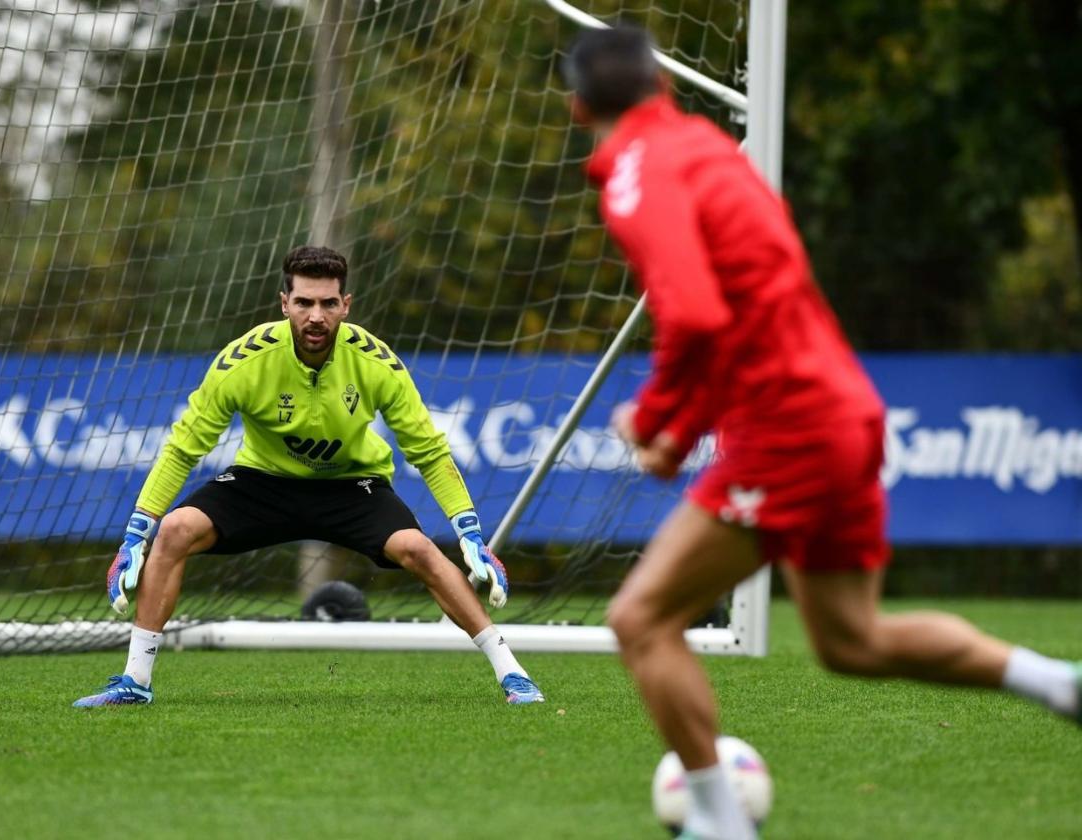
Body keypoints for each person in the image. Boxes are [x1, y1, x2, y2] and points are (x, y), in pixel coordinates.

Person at [563, 25, 1080, 840]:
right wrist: (685, 425)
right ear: (663, 90)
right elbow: (735, 314)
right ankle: (1058, 683)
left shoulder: (634, 172)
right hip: (841, 411)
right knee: (851, 640)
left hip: (790, 426)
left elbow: (695, 315)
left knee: (640, 620)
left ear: (578, 106)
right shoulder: (706, 150)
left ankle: (717, 823)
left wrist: (657, 420)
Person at [74, 245, 545, 707]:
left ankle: (512, 673)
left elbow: (427, 449)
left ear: (345, 306)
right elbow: (183, 447)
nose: (315, 316)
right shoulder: (244, 360)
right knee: (175, 529)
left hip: (353, 485)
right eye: (303, 303)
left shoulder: (376, 362)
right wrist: (138, 531)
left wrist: (469, 531)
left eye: (326, 303)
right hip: (263, 481)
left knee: (418, 548)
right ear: (285, 304)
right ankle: (135, 681)